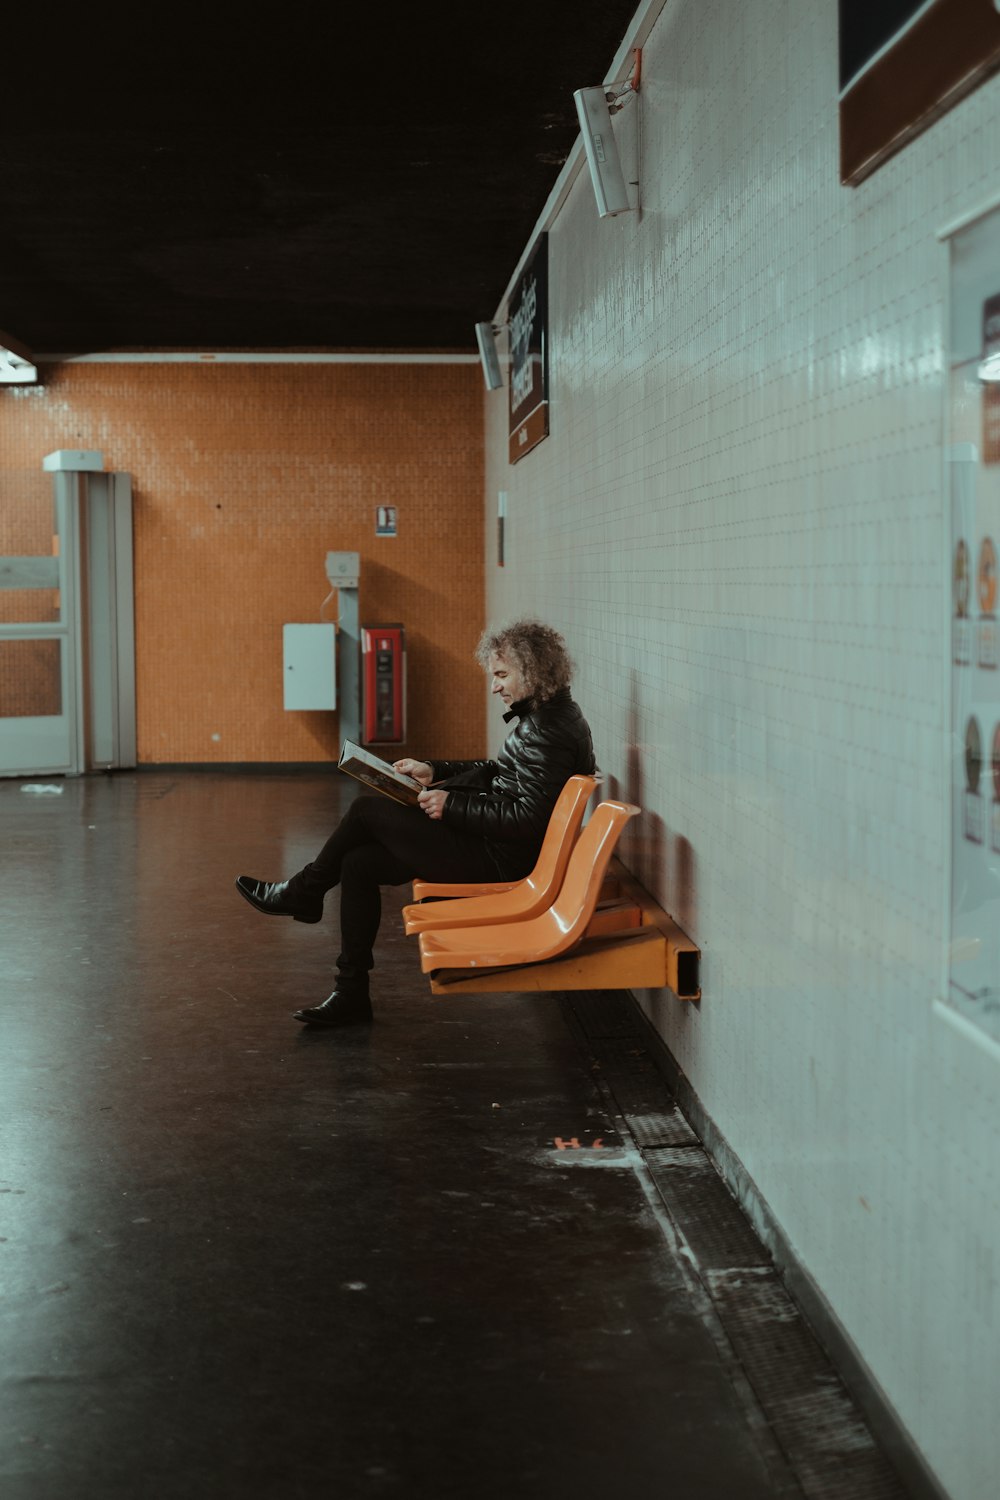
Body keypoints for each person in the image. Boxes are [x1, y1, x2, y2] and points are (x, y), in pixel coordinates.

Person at [235, 620, 597, 1028]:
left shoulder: (546, 730)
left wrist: (452, 806)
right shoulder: (548, 716)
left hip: (499, 859)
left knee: (365, 812)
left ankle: (303, 891)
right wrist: (434, 769)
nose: (495, 687)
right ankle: (350, 990)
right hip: (493, 845)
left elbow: (528, 820)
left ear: (533, 671)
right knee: (358, 864)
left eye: (501, 675)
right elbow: (499, 774)